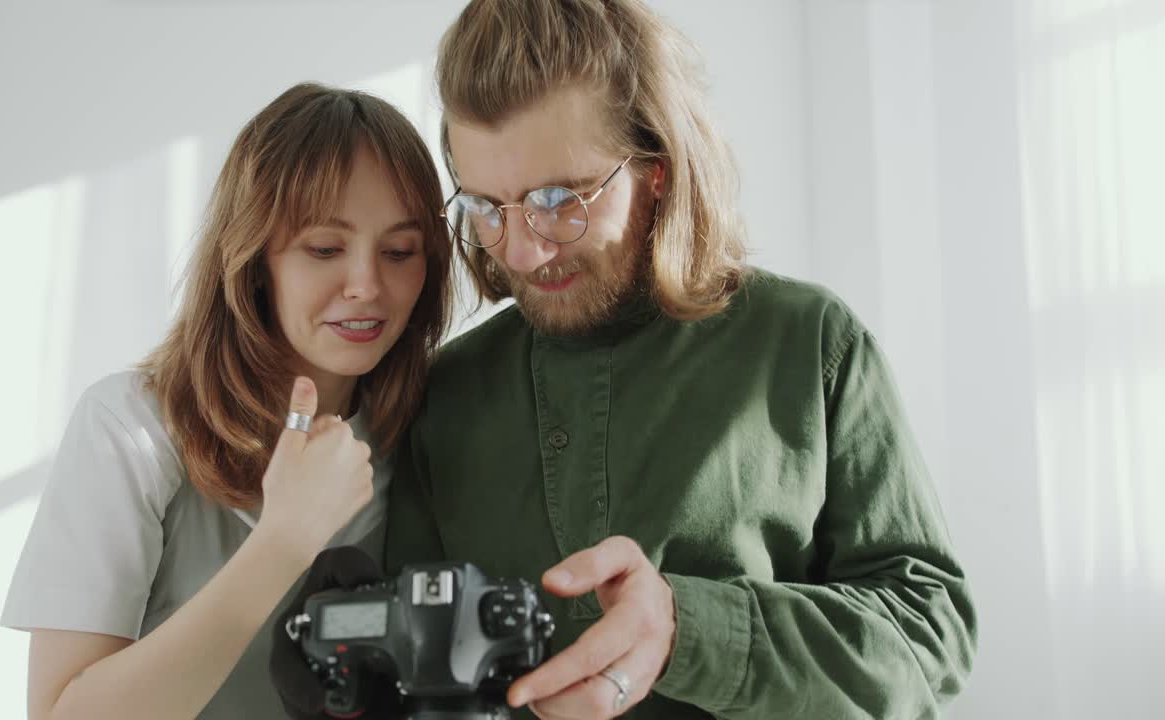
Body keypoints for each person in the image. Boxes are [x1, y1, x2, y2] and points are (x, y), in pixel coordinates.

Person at [271, 2, 978, 719]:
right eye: (488, 206)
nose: (520, 250)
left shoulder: (810, 346)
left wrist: (685, 630)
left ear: (658, 169)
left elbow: (931, 640)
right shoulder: (441, 394)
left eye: (558, 200)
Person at [0, 82, 453, 719]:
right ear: (253, 258)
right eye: (324, 248)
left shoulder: (430, 430)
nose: (367, 285)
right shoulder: (129, 429)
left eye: (399, 252)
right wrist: (284, 542)